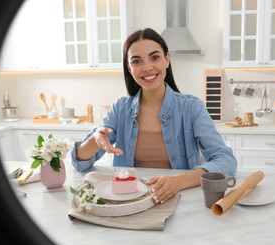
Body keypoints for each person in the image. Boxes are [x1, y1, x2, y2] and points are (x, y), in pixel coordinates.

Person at [71, 28, 237, 205]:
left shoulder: (191, 107)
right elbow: (80, 162)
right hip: (128, 200)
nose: (147, 67)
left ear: (167, 59)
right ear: (129, 68)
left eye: (155, 57)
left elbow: (226, 161)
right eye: (136, 61)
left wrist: (178, 181)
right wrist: (95, 139)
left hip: (178, 198)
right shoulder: (121, 108)